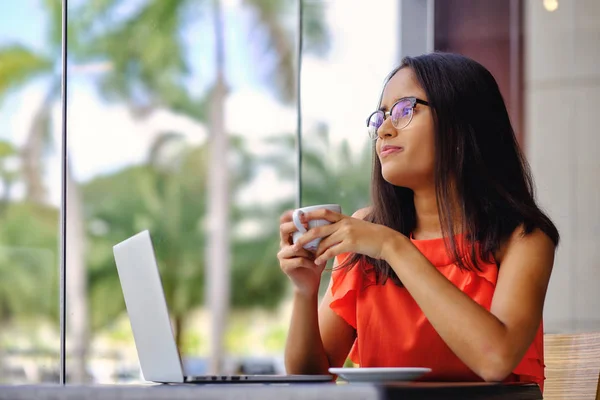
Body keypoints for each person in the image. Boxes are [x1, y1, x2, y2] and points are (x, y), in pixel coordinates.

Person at [277, 52, 558, 391]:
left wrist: (392, 246)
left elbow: (495, 359)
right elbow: (310, 378)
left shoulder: (524, 238)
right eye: (380, 117)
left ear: (462, 121)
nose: (385, 129)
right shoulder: (369, 231)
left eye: (404, 110)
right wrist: (304, 290)